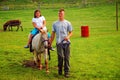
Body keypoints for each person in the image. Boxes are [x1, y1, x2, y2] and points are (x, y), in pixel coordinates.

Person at [50, 8, 73, 78]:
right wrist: (50, 42)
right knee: (61, 57)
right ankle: (60, 69)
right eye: (59, 13)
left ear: (64, 14)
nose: (60, 15)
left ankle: (67, 72)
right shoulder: (54, 23)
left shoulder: (68, 23)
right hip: (59, 43)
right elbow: (53, 34)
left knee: (67, 58)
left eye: (61, 13)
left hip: (67, 43)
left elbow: (71, 32)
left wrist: (68, 37)